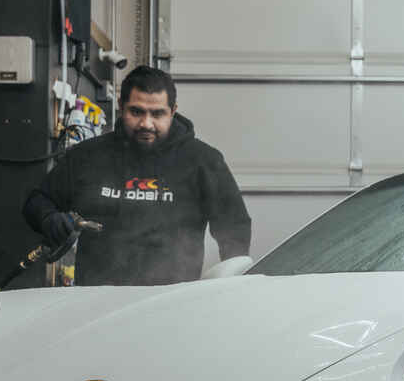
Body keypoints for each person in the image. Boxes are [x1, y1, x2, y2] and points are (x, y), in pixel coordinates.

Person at [22, 65, 251, 286]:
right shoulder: (87, 156)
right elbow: (37, 201)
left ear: (173, 111)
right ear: (121, 107)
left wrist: (228, 286)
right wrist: (49, 220)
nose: (146, 123)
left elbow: (234, 227)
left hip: (171, 305)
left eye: (157, 113)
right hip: (94, 305)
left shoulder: (203, 161)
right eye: (137, 112)